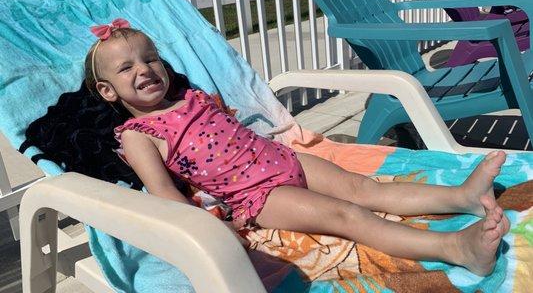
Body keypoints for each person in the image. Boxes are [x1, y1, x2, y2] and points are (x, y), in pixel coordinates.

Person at [85, 19, 510, 277]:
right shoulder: (137, 135)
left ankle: (462, 196)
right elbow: (164, 195)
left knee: (366, 189)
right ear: (107, 90)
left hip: (282, 159)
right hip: (259, 196)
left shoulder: (190, 95)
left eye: (151, 58)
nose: (145, 69)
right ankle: (454, 248)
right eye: (127, 68)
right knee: (348, 214)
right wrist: (212, 228)